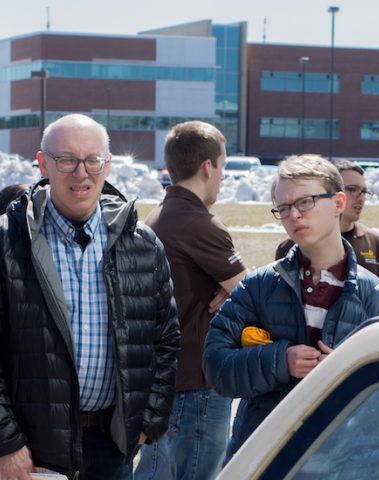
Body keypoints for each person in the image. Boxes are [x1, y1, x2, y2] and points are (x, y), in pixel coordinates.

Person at [0, 114, 180, 480]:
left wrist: (148, 419)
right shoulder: (2, 240)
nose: (81, 172)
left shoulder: (141, 244)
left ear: (107, 165)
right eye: (66, 160)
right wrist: (4, 443)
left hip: (111, 447)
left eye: (92, 160)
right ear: (42, 164)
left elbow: (165, 338)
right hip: (29, 452)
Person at [203, 154, 379, 471]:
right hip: (270, 461)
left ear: (339, 202)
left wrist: (347, 374)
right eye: (283, 208)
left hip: (347, 467)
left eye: (306, 202)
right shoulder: (258, 287)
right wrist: (280, 360)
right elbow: (216, 366)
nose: (294, 215)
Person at [135, 121, 247, 480]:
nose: (223, 178)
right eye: (224, 167)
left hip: (167, 381)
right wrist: (234, 288)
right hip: (195, 385)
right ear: (207, 167)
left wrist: (228, 286)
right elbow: (252, 293)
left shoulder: (160, 214)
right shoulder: (198, 222)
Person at [275, 159, 379, 289]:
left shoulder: (374, 242)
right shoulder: (290, 247)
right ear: (336, 196)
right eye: (353, 189)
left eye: (364, 192)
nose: (361, 198)